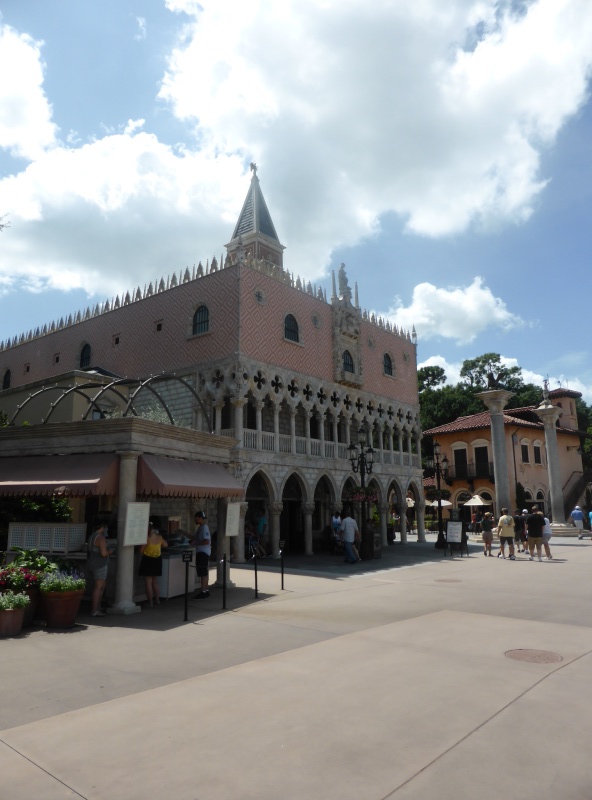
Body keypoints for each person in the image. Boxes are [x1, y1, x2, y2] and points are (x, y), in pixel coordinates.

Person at [138, 520, 168, 607]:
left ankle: (150, 602)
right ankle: (157, 600)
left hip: (148, 559)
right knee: (155, 581)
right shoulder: (159, 537)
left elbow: (140, 551)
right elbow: (165, 545)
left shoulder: (147, 538)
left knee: (148, 581)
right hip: (157, 559)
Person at [87, 521, 112, 617]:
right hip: (100, 564)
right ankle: (94, 610)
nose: (106, 529)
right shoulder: (100, 538)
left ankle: (98, 607)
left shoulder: (91, 536)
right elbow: (104, 553)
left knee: (101, 586)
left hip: (92, 563)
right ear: (103, 527)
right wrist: (110, 551)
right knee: (98, 587)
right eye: (106, 527)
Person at [193, 511, 212, 599]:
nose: (195, 519)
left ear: (200, 518)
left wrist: (196, 543)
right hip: (202, 552)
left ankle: (203, 591)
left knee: (203, 572)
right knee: (204, 572)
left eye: (197, 518)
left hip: (203, 552)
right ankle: (206, 590)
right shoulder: (200, 528)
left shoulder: (204, 528)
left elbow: (206, 541)